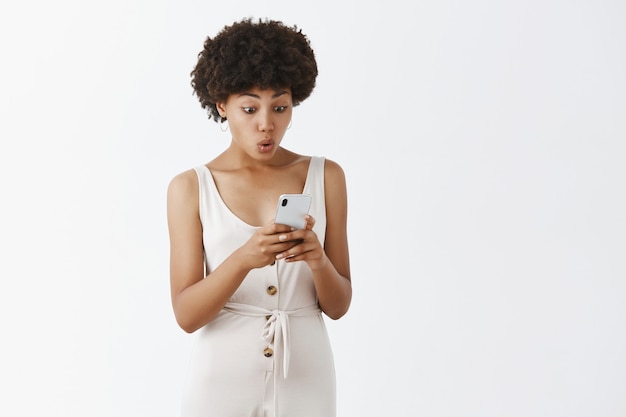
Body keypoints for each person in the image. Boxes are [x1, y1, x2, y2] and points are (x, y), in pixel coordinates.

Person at [166, 18, 352, 417]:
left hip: (307, 379)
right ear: (222, 105)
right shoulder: (190, 188)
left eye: (280, 107)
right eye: (249, 108)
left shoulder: (327, 177)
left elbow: (338, 306)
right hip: (219, 383)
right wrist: (244, 258)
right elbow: (186, 315)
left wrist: (318, 260)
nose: (267, 123)